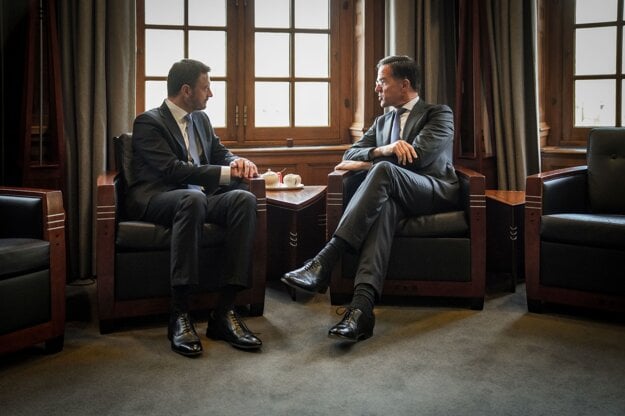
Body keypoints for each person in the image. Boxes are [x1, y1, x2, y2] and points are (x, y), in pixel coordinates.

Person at [281, 55, 458, 342]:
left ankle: (325, 260)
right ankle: (361, 311)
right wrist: (381, 150)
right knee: (384, 204)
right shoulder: (382, 121)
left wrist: (375, 163)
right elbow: (348, 155)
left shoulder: (439, 114)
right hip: (392, 191)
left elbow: (419, 157)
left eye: (382, 81)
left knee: (386, 172)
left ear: (404, 84)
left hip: (431, 190)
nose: (377, 88)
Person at [126, 59, 262, 357]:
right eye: (206, 87)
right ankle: (180, 314)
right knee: (193, 199)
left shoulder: (200, 120)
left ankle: (224, 312)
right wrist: (226, 174)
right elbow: (172, 170)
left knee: (244, 199)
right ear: (186, 90)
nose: (210, 94)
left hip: (198, 196)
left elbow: (218, 151)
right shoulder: (148, 122)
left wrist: (236, 161)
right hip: (160, 197)